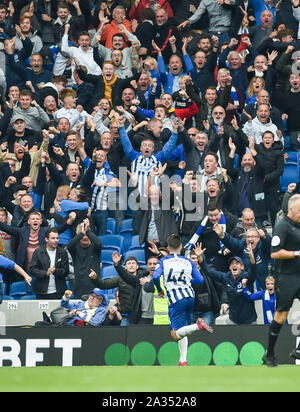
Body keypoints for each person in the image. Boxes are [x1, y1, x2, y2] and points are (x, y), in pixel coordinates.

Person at [152, 234, 213, 367]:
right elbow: (200, 280)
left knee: (175, 334)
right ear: (180, 246)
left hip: (175, 299)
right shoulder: (188, 261)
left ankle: (198, 326)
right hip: (190, 297)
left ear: (168, 247)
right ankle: (183, 360)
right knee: (183, 328)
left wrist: (160, 289)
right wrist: (188, 280)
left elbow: (156, 276)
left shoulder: (163, 261)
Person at [263, 194, 300, 366]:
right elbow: (274, 253)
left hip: (299, 274)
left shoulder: (298, 226)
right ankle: (269, 353)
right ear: (291, 210)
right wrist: (296, 253)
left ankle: (299, 350)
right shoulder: (282, 226)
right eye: (299, 210)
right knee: (281, 315)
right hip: (286, 277)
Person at [195, 244, 257, 325]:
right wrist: (200, 258)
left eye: (237, 263)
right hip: (233, 320)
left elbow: (254, 272)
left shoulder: (247, 277)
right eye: (232, 263)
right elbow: (209, 271)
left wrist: (252, 259)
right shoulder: (226, 277)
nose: (234, 265)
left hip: (249, 321)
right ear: (230, 267)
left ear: (242, 267)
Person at [29, 227, 69, 300]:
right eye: (53, 238)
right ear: (46, 239)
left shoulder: (62, 252)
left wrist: (55, 271)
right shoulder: (38, 252)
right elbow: (32, 269)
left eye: (57, 238)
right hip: (42, 292)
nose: (55, 240)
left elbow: (66, 271)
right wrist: (45, 273)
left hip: (59, 292)